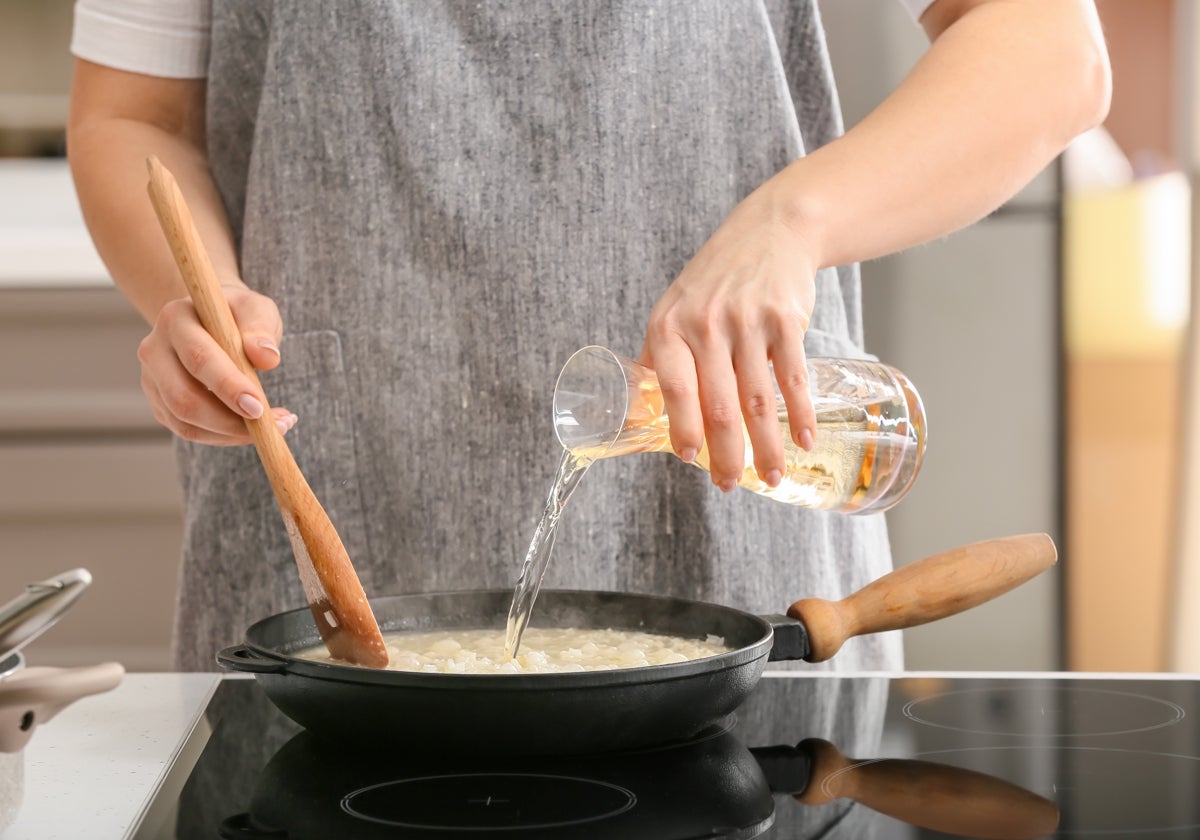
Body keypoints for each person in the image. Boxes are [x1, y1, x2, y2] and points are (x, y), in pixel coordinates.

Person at [67, 0, 1110, 672]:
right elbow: (135, 116)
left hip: (733, 531)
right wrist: (203, 296)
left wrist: (793, 223)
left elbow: (1048, 49)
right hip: (327, 528)